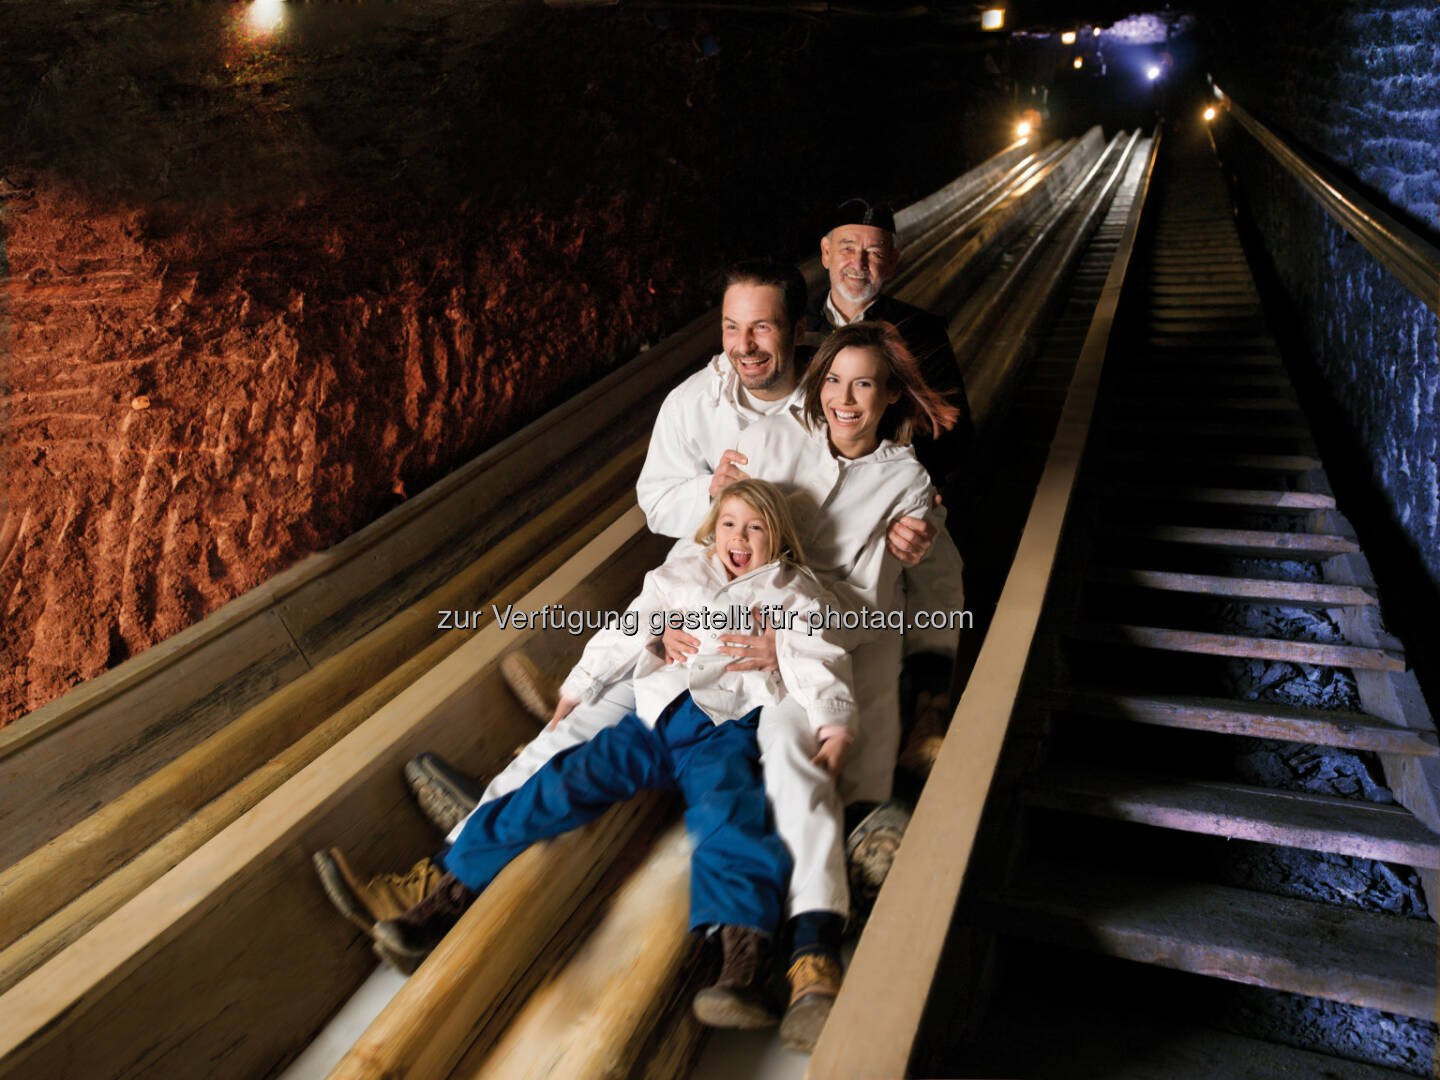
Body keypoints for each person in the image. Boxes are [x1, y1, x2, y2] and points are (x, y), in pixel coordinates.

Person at [354, 479, 859, 1029]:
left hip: (721, 729)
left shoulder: (792, 591)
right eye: (729, 524)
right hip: (653, 720)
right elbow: (629, 628)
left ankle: (745, 961)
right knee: (560, 781)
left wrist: (833, 725)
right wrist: (578, 686)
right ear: (712, 531)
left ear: (776, 537)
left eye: (755, 527)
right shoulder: (679, 576)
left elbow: (819, 655)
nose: (740, 538)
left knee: (729, 815)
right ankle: (446, 898)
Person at [806, 197, 974, 494]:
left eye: (874, 252)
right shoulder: (797, 329)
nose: (859, 263)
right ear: (826, 253)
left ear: (893, 263)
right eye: (848, 249)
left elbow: (955, 437)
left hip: (889, 492)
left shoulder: (921, 332)